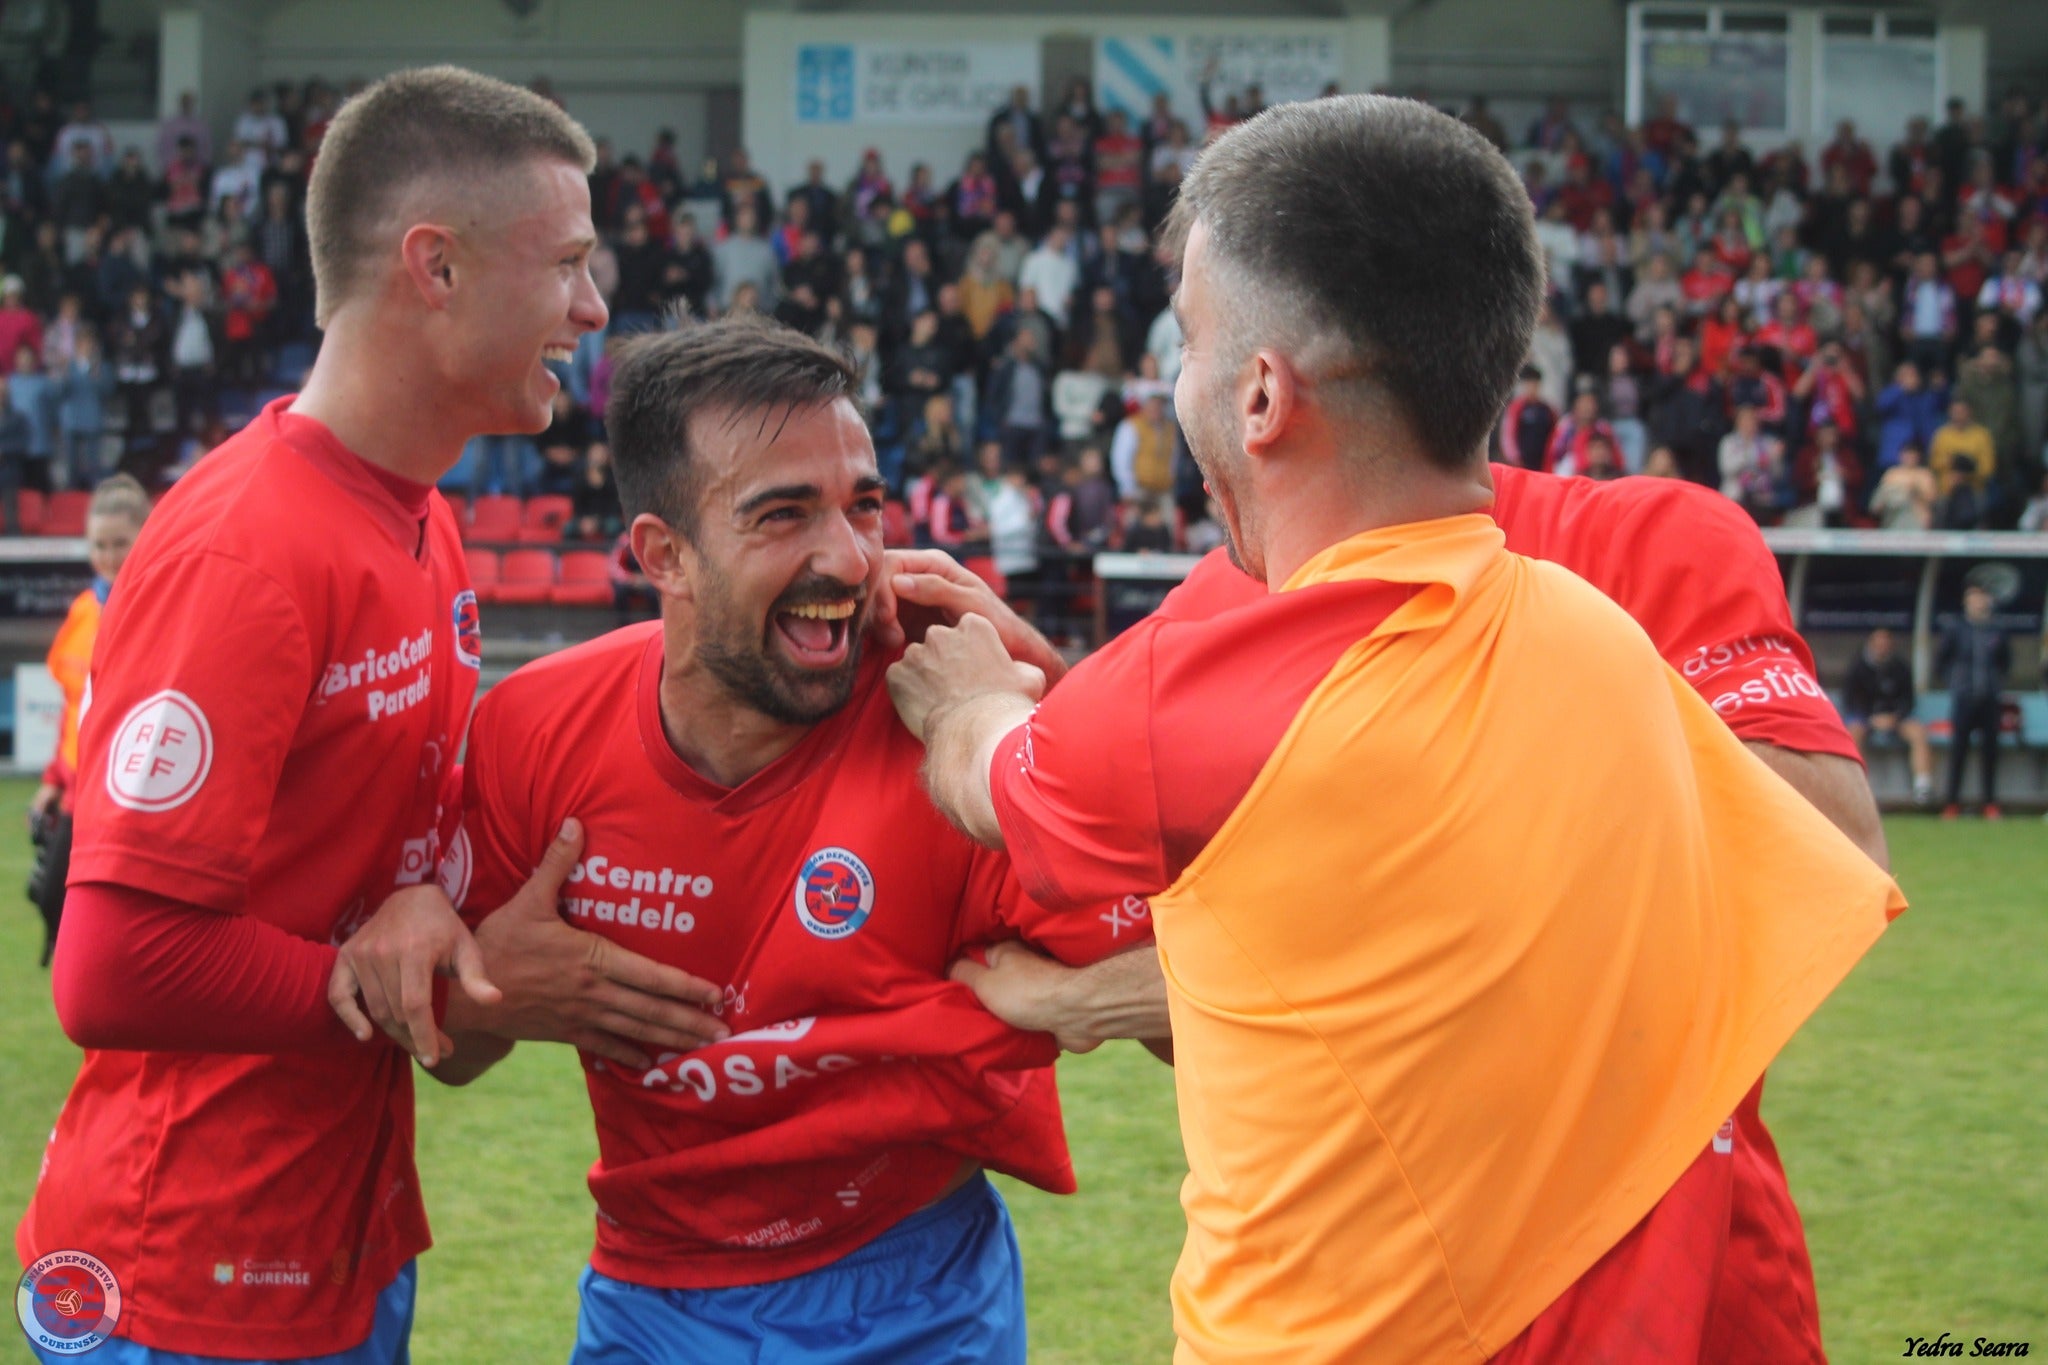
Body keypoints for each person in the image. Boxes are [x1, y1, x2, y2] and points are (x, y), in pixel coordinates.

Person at [886, 96, 1901, 1363]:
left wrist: (980, 714)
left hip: (1609, 1294)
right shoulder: (1571, 629)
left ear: (1259, 394)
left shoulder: (1632, 553)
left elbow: (1026, 781)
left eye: (1187, 343)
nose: (1167, 386)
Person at [19, 67, 724, 1365]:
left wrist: (442, 921)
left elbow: (391, 869)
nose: (592, 305)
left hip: (335, 1246)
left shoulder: (424, 519)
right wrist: (413, 971)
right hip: (190, 1280)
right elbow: (109, 967)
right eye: (566, 261)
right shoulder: (247, 546)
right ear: (435, 268)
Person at [421, 320, 1138, 1362]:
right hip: (652, 1293)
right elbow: (449, 1051)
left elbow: (1209, 983)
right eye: (783, 514)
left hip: (915, 1285)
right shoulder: (534, 730)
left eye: (865, 505)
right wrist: (487, 984)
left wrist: (1047, 715)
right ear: (663, 555)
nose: (847, 558)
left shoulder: (941, 725)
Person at [27, 477, 150, 968]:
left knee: (96, 915)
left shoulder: (154, 606)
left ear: (145, 535)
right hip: (80, 791)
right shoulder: (82, 611)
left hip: (124, 796)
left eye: (120, 542)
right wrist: (54, 780)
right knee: (53, 898)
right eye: (99, 544)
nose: (108, 555)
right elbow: (73, 709)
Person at [1936, 583, 2011, 819]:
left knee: (1990, 753)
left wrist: (1995, 683)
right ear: (1966, 602)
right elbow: (1942, 661)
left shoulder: (1997, 630)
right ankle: (1952, 804)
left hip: (1990, 699)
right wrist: (1955, 683)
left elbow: (2005, 662)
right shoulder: (1956, 629)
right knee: (1959, 751)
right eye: (1974, 598)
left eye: (1982, 598)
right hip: (1964, 699)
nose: (1979, 602)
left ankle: (1990, 803)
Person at [1844, 627, 1935, 804]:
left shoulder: (1900, 667)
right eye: (1878, 643)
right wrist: (1871, 718)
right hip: (1866, 718)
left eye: (1885, 643)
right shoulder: (1857, 667)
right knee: (1853, 733)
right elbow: (1851, 701)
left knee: (1918, 732)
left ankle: (1923, 786)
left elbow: (1909, 700)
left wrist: (1895, 717)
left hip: (1895, 719)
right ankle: (1859, 786)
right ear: (1870, 644)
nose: (1881, 647)